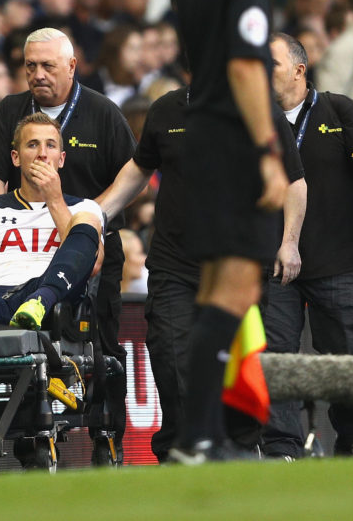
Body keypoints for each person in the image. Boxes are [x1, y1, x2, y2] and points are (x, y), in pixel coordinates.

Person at [98, 85, 305, 462]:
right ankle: (181, 452)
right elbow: (140, 168)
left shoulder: (260, 110)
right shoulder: (167, 109)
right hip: (174, 263)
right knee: (171, 359)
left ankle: (240, 450)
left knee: (239, 364)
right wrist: (95, 215)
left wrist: (289, 242)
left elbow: (293, 181)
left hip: (238, 266)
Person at [165, 0, 288, 462]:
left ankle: (201, 435)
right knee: (236, 287)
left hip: (200, 132)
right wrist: (269, 151)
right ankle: (199, 436)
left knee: (214, 286)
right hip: (237, 137)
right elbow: (245, 65)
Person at [0, 27, 136, 462]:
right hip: (23, 244)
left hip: (91, 243)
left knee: (101, 346)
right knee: (22, 346)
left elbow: (133, 176)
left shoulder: (102, 112)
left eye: (48, 65)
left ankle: (108, 438)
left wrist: (90, 217)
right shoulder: (10, 110)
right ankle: (30, 441)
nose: (38, 74)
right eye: (30, 66)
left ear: (71, 66)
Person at [263, 32, 353, 458]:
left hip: (336, 261)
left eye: (269, 63)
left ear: (298, 69)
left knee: (349, 360)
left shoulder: (339, 110)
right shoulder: (252, 122)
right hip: (274, 264)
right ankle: (282, 450)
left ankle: (352, 430)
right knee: (277, 359)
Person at [0, 113, 104, 333]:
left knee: (86, 220)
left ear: (61, 159)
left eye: (50, 146)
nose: (42, 154)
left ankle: (39, 301)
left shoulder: (84, 207)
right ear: (16, 157)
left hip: (53, 295)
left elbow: (95, 263)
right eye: (32, 145)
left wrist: (54, 199)